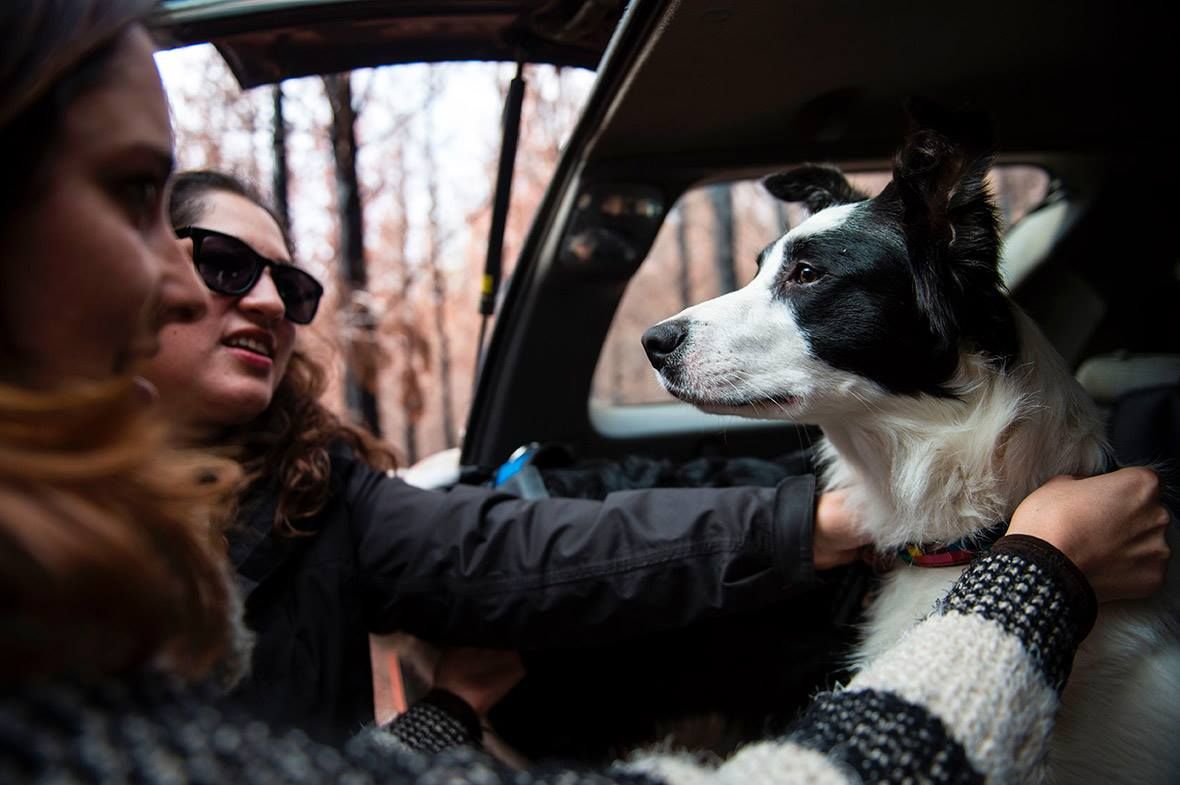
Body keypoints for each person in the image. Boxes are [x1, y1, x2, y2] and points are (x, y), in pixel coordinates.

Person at [0, 3, 1171, 784]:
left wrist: (436, 725)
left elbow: (549, 547)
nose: (256, 298)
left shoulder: (321, 496)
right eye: (181, 233)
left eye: (289, 279)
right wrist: (1035, 581)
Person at [143, 167, 876, 745]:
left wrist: (811, 521)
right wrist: (444, 717)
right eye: (226, 264)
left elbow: (524, 548)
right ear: (130, 267)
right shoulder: (40, 537)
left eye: (293, 287)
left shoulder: (317, 488)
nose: (272, 303)